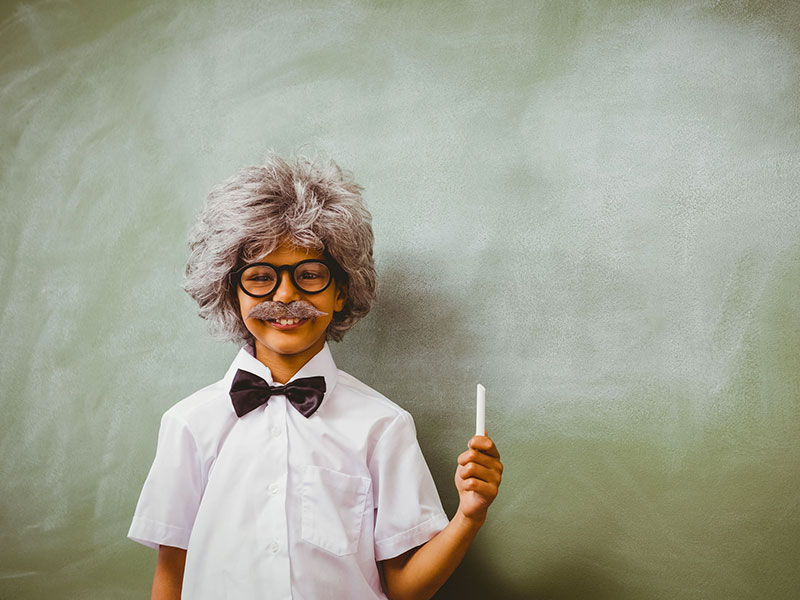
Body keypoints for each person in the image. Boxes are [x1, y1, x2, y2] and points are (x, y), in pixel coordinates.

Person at [128, 153, 503, 599]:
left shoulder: (383, 425)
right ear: (231, 292)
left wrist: (469, 515)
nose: (285, 295)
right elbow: (171, 575)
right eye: (261, 277)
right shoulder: (188, 424)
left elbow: (404, 588)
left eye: (309, 275)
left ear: (341, 292)